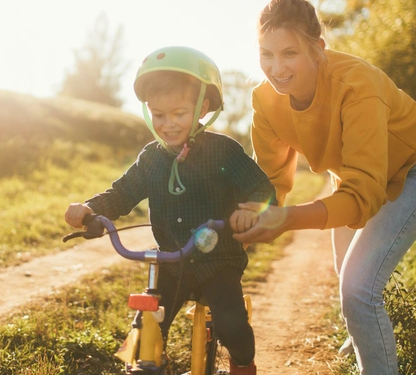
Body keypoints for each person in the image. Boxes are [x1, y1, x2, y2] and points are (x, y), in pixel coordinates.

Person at [229, 0, 416, 375]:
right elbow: (268, 184)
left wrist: (288, 220)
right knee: (344, 270)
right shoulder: (265, 101)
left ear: (318, 48)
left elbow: (364, 194)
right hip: (352, 175)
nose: (276, 68)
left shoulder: (357, 84)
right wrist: (248, 221)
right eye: (266, 54)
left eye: (290, 53)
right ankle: (360, 343)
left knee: (358, 289)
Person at [65, 46, 276, 375]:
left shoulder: (224, 151)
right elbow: (123, 192)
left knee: (232, 325)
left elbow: (261, 188)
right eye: (159, 115)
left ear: (203, 107)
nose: (168, 124)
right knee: (143, 327)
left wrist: (253, 209)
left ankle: (243, 364)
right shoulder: (151, 158)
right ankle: (141, 362)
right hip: (170, 261)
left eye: (179, 113)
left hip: (218, 261)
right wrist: (91, 208)